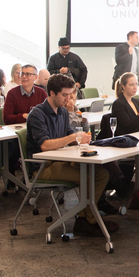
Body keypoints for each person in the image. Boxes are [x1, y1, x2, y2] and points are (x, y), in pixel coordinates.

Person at [26, 73, 117, 236]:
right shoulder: (37, 114)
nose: (68, 99)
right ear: (52, 93)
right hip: (44, 166)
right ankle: (89, 220)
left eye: (70, 94)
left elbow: (69, 137)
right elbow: (45, 145)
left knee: (102, 174)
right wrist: (73, 137)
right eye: (64, 95)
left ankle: (84, 219)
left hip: (61, 160)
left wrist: (82, 140)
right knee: (89, 176)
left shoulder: (61, 112)